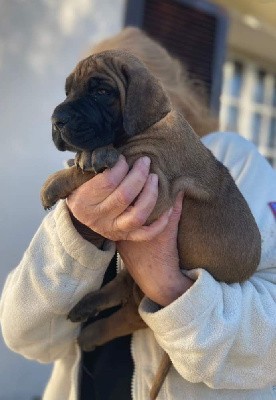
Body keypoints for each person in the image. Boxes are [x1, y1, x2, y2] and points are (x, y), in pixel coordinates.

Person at [1, 28, 276, 400]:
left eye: (102, 92)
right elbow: (25, 337)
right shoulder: (88, 179)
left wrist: (168, 287)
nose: (70, 109)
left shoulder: (234, 161)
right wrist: (78, 233)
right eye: (73, 93)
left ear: (153, 96)